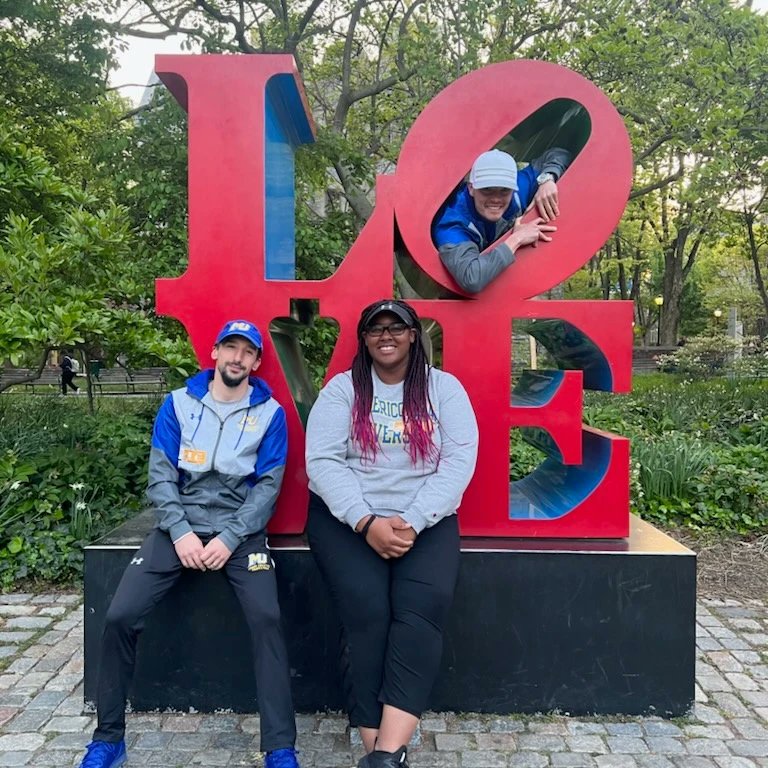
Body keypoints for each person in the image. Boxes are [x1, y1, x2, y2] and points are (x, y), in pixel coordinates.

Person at [77, 319, 301, 768]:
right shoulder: (178, 404)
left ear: (257, 362)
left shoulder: (271, 414)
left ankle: (280, 747)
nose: (237, 358)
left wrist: (231, 538)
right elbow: (160, 478)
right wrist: (179, 531)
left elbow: (267, 489)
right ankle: (108, 739)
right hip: (177, 529)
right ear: (214, 353)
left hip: (241, 535)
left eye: (247, 352)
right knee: (120, 616)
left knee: (267, 618)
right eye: (230, 348)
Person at [305, 300, 479, 768]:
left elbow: (459, 461)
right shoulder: (343, 391)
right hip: (345, 521)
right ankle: (376, 744)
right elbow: (321, 461)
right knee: (367, 614)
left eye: (396, 327)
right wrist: (365, 521)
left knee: (420, 613)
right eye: (376, 328)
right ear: (364, 339)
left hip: (425, 520)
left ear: (412, 335)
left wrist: (414, 520)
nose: (386, 335)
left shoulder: (444, 389)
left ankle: (385, 754)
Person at [432, 147, 571, 293]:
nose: (496, 198)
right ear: (471, 188)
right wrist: (516, 239)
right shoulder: (452, 222)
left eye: (504, 190)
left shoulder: (520, 188)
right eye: (487, 189)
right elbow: (471, 278)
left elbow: (560, 153)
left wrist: (548, 179)